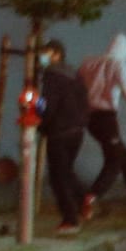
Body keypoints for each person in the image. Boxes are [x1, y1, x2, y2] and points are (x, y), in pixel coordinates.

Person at [78, 32, 126, 219]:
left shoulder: (88, 63)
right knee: (115, 160)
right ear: (125, 51)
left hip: (90, 118)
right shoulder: (118, 65)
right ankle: (91, 197)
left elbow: (77, 87)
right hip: (106, 118)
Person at [36, 40, 89, 236]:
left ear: (57, 54)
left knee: (58, 177)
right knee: (66, 171)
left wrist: (40, 124)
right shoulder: (74, 74)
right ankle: (84, 199)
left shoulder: (52, 75)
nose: (42, 57)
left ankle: (70, 219)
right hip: (77, 130)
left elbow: (47, 105)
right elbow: (85, 101)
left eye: (46, 53)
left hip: (59, 131)